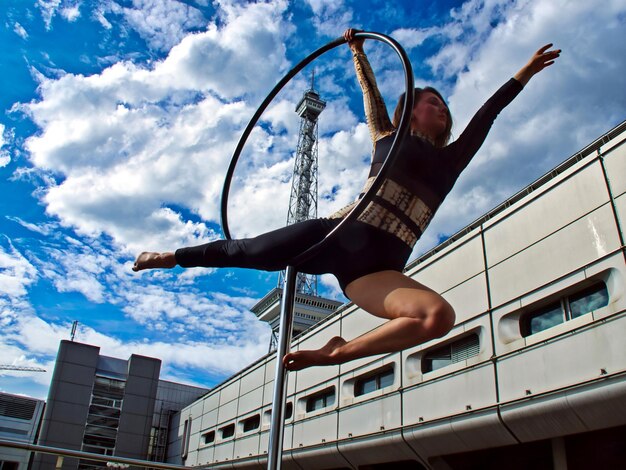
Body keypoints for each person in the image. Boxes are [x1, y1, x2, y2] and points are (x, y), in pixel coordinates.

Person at [133, 28, 561, 372]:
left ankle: (338, 352)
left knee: (437, 317)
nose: (444, 109)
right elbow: (370, 93)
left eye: (446, 105)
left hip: (375, 271)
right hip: (338, 233)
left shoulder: (452, 160)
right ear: (411, 110)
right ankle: (172, 256)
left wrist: (523, 73)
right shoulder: (387, 136)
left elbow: (488, 114)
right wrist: (357, 49)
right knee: (249, 251)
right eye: (435, 102)